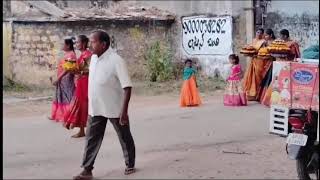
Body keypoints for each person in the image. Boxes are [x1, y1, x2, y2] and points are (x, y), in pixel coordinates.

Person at [73, 30, 135, 180]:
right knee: (91, 139)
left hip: (115, 108)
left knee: (124, 136)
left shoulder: (116, 60)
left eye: (93, 42)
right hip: (96, 107)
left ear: (103, 44)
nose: (90, 45)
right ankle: (87, 170)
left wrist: (124, 112)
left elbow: (127, 87)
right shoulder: (93, 58)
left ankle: (130, 164)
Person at [64, 35, 93, 138]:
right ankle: (82, 130)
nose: (76, 45)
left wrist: (78, 71)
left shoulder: (88, 55)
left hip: (86, 82)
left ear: (84, 43)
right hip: (81, 81)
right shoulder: (82, 54)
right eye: (75, 43)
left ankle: (87, 129)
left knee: (84, 105)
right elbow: (80, 69)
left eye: (78, 43)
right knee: (81, 104)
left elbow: (91, 70)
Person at [50, 37, 77, 122]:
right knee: (59, 96)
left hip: (67, 80)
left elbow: (68, 69)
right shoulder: (67, 54)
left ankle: (68, 116)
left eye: (63, 44)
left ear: (68, 45)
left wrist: (58, 78)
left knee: (67, 97)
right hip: (63, 79)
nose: (62, 45)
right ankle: (58, 115)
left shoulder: (71, 55)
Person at [243, 28, 268, 101]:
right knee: (250, 77)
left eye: (260, 33)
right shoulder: (254, 40)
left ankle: (258, 95)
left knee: (258, 78)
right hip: (253, 60)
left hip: (260, 61)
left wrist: (257, 55)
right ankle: (251, 94)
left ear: (262, 34)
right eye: (257, 32)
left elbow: (264, 52)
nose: (258, 34)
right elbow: (251, 49)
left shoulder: (263, 42)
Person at [259, 29, 276, 106]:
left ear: (271, 35)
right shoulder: (265, 43)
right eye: (265, 35)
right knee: (266, 79)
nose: (265, 36)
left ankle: (270, 99)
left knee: (270, 79)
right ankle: (263, 97)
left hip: (273, 63)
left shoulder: (275, 42)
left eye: (266, 35)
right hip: (266, 62)